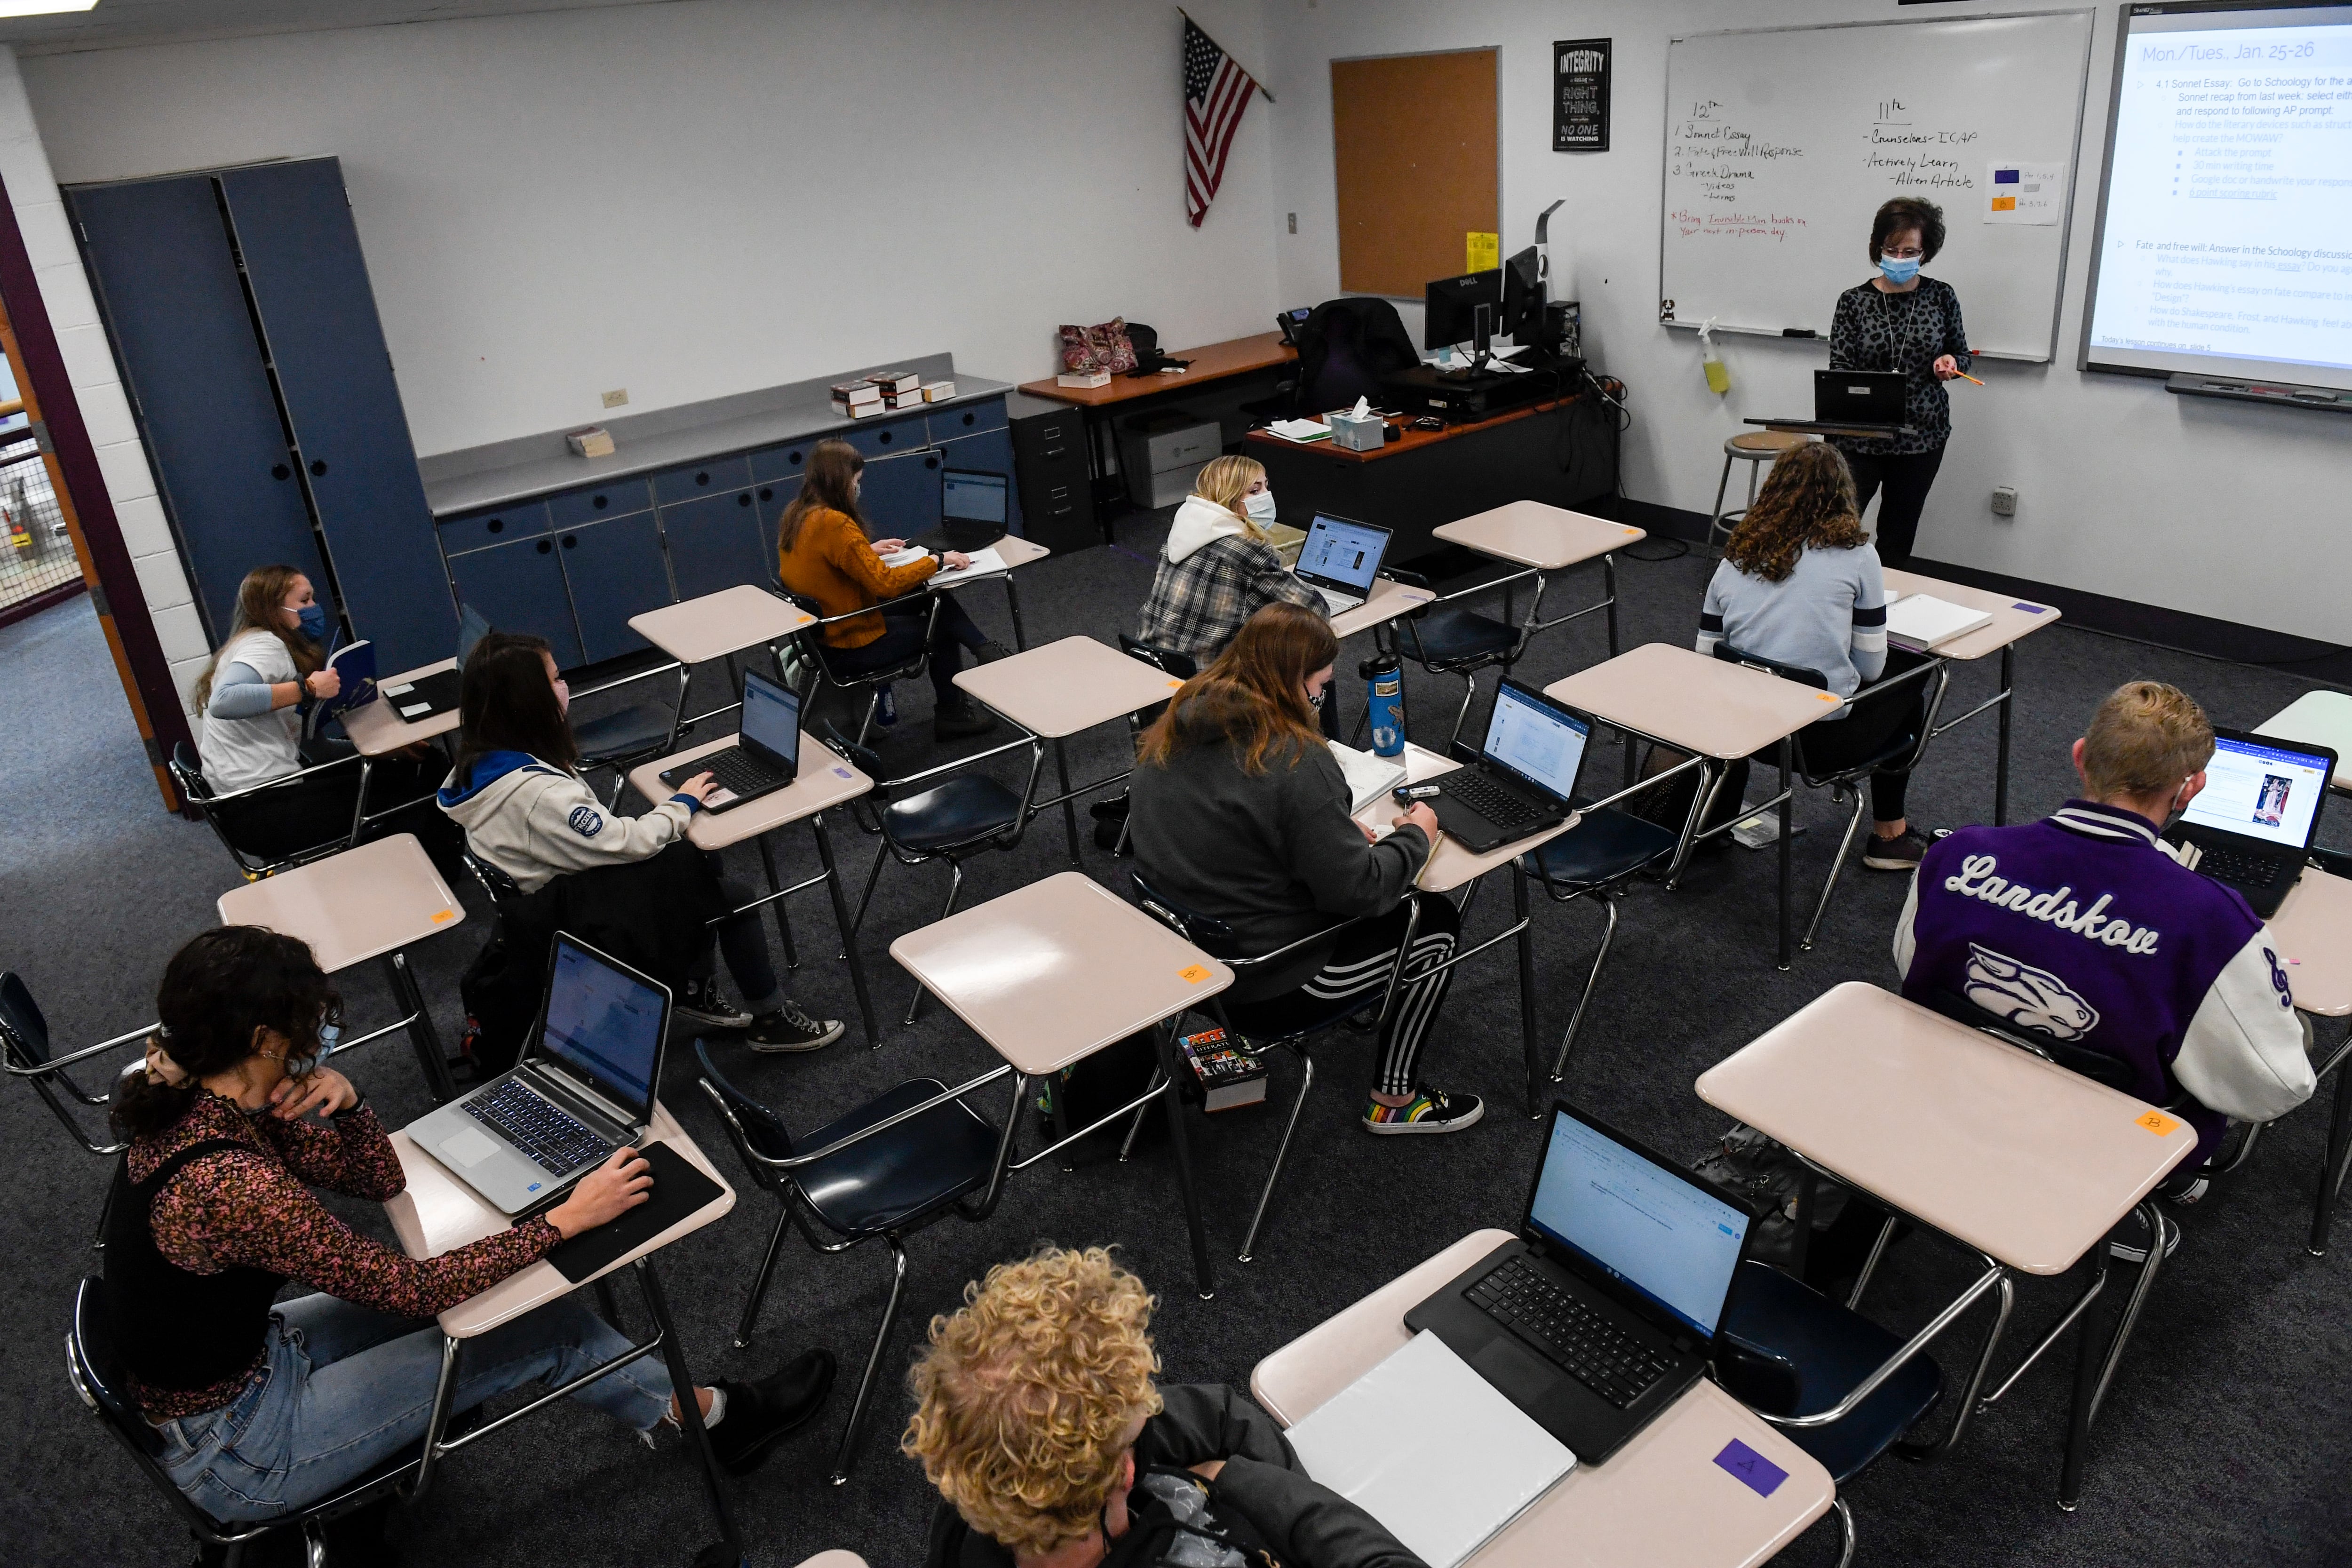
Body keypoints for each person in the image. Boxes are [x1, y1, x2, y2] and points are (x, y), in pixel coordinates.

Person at [103, 926, 836, 1527]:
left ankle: (689, 1412)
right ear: (265, 1038)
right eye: (303, 1024)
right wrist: (563, 1219)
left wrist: (350, 1102)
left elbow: (376, 1178)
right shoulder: (230, 1181)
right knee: (540, 1329)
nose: (315, 1036)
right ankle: (720, 1423)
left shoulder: (190, 1097)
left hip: (239, 1371)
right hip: (242, 1445)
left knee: (491, 1297)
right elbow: (409, 1289)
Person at [1894, 682, 2315, 1255]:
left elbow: (1909, 967)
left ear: (2078, 757)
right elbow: (2276, 1086)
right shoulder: (2212, 921)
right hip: (2103, 1143)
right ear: (2191, 788)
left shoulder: (1956, 853)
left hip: (1946, 1092)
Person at [1128, 603, 1478, 1135]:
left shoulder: (1175, 724)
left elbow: (1229, 833)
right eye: (1322, 682)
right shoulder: (1291, 757)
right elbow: (1361, 891)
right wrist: (1417, 834)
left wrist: (1327, 838)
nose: (1323, 696)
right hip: (1261, 983)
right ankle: (1395, 1099)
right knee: (1433, 923)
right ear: (1292, 680)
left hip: (1184, 963)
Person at [437, 631, 840, 1052]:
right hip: (574, 921)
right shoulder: (539, 796)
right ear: (528, 700)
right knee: (733, 897)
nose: (564, 686)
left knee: (697, 859)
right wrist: (682, 802)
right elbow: (629, 841)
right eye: (555, 679)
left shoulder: (481, 760)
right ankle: (771, 1019)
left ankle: (689, 989)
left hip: (543, 906)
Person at [906, 1245, 1425, 1568]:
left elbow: (1218, 1416)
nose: (1151, 1404)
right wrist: (1230, 1479)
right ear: (1124, 1470)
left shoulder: (979, 1506)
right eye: (1140, 1404)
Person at [1695, 441, 1934, 872]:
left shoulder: (1734, 556)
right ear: (1846, 495)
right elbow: (1871, 669)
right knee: (1915, 676)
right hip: (1819, 743)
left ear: (1772, 490)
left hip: (1743, 730)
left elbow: (1705, 657)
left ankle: (1712, 823)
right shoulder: (1860, 558)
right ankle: (1889, 836)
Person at [190, 565, 440, 861]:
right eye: (304, 601)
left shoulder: (261, 647)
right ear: (273, 608)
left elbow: (317, 749)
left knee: (400, 770)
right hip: (262, 810)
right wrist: (307, 688)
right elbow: (224, 701)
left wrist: (382, 751)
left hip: (249, 804)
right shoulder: (265, 645)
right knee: (407, 790)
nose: (315, 608)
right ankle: (426, 880)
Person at [776, 437, 1008, 741]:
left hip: (825, 635)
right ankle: (954, 712)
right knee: (937, 624)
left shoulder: (799, 514)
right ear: (840, 482)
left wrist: (866, 551)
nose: (858, 488)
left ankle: (984, 649)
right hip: (849, 642)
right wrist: (937, 560)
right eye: (856, 481)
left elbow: (822, 564)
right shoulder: (835, 524)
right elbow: (884, 583)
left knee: (928, 594)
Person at [1828, 195, 1974, 566]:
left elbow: (1962, 354)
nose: (1900, 257)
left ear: (1925, 252)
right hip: (1861, 437)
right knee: (1836, 528)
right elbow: (1840, 368)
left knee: (1898, 530)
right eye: (1892, 249)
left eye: (1910, 251)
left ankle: (1882, 606)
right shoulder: (1853, 302)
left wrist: (1950, 362)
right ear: (1878, 248)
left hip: (1922, 436)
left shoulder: (1941, 296)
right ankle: (1833, 599)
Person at [1134, 454, 1322, 666]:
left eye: (1266, 487)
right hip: (1206, 673)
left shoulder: (1181, 535)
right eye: (1254, 491)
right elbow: (1315, 609)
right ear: (1229, 496)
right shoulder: (1245, 549)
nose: (1266, 496)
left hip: (1153, 659)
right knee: (1310, 656)